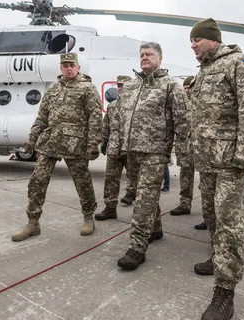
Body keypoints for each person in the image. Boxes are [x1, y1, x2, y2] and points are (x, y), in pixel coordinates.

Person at [188, 18, 244, 319]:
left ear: (213, 40)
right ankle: (217, 257)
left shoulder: (239, 63)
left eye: (196, 40)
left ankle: (225, 294)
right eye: (191, 41)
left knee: (229, 226)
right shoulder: (203, 71)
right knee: (211, 218)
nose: (192, 45)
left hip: (230, 165)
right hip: (207, 161)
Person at [108, 42, 189, 270]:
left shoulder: (171, 86)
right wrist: (116, 147)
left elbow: (183, 123)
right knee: (146, 197)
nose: (144, 58)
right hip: (131, 152)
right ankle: (155, 229)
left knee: (143, 199)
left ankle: (137, 247)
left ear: (160, 59)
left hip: (155, 153)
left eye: (149, 55)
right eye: (142, 55)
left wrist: (184, 157)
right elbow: (119, 121)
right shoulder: (132, 86)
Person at [11, 53, 102, 241]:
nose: (68, 68)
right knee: (37, 180)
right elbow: (42, 116)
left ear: (78, 67)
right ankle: (33, 222)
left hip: (74, 143)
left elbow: (95, 117)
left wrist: (93, 143)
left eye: (72, 65)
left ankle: (88, 217)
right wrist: (32, 138)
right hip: (50, 141)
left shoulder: (87, 88)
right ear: (61, 68)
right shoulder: (53, 88)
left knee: (82, 181)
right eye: (65, 65)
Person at [95, 75, 134, 221]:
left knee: (136, 179)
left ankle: (138, 206)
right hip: (114, 150)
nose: (121, 88)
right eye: (119, 85)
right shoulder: (112, 106)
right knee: (111, 179)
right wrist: (101, 143)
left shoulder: (137, 105)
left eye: (124, 85)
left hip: (131, 149)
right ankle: (110, 208)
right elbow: (106, 127)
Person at [171, 75, 197, 216]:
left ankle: (210, 212)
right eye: (185, 88)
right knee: (185, 175)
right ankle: (185, 203)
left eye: (189, 88)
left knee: (207, 180)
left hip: (201, 146)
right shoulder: (180, 103)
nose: (187, 91)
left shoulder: (200, 101)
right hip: (185, 146)